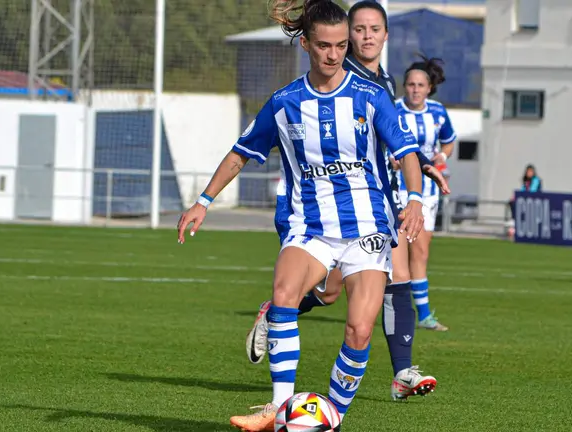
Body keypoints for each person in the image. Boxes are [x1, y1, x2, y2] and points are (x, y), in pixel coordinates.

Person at [176, 0, 428, 429]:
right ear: (306, 44)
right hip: (309, 225)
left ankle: (331, 418)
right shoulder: (285, 102)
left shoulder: (371, 97)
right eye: (325, 45)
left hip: (367, 226)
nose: (334, 55)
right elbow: (241, 153)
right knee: (284, 292)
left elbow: (406, 154)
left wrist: (415, 199)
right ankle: (278, 408)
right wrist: (204, 201)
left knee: (359, 331)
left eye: (342, 45)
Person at [245, 0, 447, 403]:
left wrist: (418, 168)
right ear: (345, 36)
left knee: (398, 275)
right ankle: (277, 315)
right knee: (330, 292)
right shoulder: (339, 75)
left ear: (386, 35)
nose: (367, 36)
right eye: (360, 29)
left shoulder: (384, 84)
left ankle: (401, 372)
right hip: (325, 206)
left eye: (375, 29)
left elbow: (394, 136)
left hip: (375, 202)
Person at [391, 55, 457, 332]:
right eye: (410, 84)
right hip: (395, 190)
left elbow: (450, 141)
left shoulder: (438, 112)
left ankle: (425, 315)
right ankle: (389, 308)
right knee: (395, 252)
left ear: (429, 88)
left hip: (427, 193)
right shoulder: (392, 109)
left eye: (420, 85)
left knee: (420, 251)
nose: (415, 89)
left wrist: (442, 155)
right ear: (404, 87)